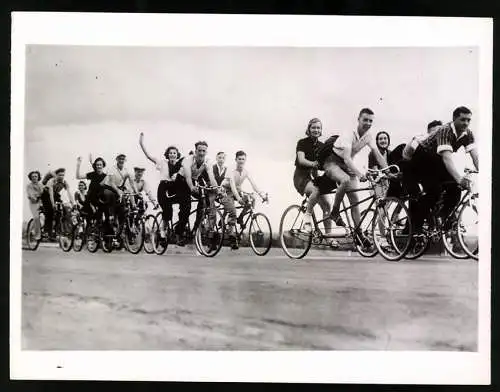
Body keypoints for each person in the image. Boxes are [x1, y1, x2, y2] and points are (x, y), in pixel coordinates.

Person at [303, 108, 387, 248]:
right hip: (333, 162)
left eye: (371, 121)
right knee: (345, 180)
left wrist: (387, 170)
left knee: (355, 200)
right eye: (365, 120)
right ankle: (335, 212)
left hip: (347, 165)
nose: (368, 123)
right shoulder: (349, 133)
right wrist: (360, 174)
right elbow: (347, 158)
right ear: (358, 120)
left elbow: (377, 154)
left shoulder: (368, 136)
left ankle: (359, 233)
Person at [405, 107, 478, 233]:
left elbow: (475, 156)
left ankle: (440, 218)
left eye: (468, 120)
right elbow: (447, 159)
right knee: (434, 191)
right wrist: (460, 179)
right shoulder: (445, 130)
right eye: (462, 120)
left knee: (455, 189)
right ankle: (415, 227)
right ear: (454, 119)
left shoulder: (468, 134)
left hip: (437, 161)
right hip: (423, 158)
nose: (466, 123)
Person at [293, 118, 336, 245]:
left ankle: (328, 237)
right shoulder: (302, 143)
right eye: (313, 127)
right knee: (316, 190)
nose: (316, 130)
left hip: (315, 177)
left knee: (327, 205)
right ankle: (307, 217)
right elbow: (301, 160)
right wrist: (314, 164)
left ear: (321, 130)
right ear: (309, 129)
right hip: (301, 177)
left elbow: (325, 164)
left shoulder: (322, 146)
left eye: (318, 128)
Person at [139, 132, 185, 241]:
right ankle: (162, 231)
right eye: (170, 153)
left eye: (174, 153)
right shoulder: (161, 162)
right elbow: (148, 155)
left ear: (177, 154)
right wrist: (141, 143)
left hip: (174, 188)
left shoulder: (180, 164)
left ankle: (179, 230)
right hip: (163, 187)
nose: (172, 155)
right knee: (167, 210)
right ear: (167, 154)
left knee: (183, 203)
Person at [176, 141, 219, 246]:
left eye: (204, 151)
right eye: (199, 150)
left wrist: (217, 189)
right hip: (182, 181)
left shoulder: (208, 161)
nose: (201, 153)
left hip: (194, 180)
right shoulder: (188, 160)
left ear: (206, 152)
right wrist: (191, 187)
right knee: (186, 208)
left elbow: (211, 177)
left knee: (204, 201)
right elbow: (187, 177)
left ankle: (196, 229)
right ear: (195, 151)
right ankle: (178, 233)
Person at [221, 150, 267, 249]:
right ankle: (231, 234)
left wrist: (261, 195)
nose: (241, 161)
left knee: (252, 199)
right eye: (239, 159)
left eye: (243, 159)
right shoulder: (231, 170)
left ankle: (241, 217)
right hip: (226, 191)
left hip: (237, 190)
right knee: (233, 211)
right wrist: (238, 198)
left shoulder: (245, 171)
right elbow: (232, 185)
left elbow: (253, 184)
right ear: (236, 160)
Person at [76, 156, 117, 232]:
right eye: (97, 165)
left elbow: (109, 187)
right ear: (95, 166)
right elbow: (78, 177)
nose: (99, 166)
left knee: (107, 215)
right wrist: (78, 164)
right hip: (91, 199)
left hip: (101, 199)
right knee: (90, 218)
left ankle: (107, 236)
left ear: (103, 166)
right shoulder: (92, 174)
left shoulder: (105, 176)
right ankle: (86, 237)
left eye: (100, 165)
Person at [26, 170, 43, 241]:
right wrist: (35, 196)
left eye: (36, 176)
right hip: (33, 203)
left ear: (38, 177)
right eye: (32, 176)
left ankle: (35, 230)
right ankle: (36, 235)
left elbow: (44, 192)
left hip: (41, 203)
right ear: (30, 178)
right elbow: (30, 194)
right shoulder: (29, 186)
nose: (34, 178)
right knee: (36, 217)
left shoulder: (41, 185)